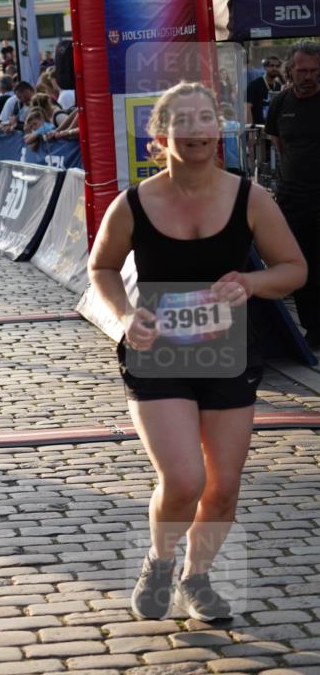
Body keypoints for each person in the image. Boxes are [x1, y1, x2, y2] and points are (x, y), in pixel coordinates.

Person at [88, 81, 306, 622]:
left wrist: (252, 285)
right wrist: (121, 316)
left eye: (204, 119)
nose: (194, 130)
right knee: (185, 480)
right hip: (157, 351)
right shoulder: (133, 202)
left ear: (220, 130)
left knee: (224, 488)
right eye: (181, 122)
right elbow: (102, 268)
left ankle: (198, 578)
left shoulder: (249, 197)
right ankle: (160, 561)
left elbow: (294, 270)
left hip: (226, 352)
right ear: (160, 136)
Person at [265, 40, 320, 349]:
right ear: (291, 70)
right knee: (302, 265)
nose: (308, 76)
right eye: (302, 71)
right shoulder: (280, 104)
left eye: (314, 71)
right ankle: (313, 328)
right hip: (293, 198)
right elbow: (279, 144)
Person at [246, 56, 283, 125]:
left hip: (274, 127)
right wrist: (250, 128)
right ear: (265, 67)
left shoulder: (279, 86)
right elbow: (247, 107)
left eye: (277, 66)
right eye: (271, 66)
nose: (274, 68)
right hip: (259, 127)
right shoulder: (254, 85)